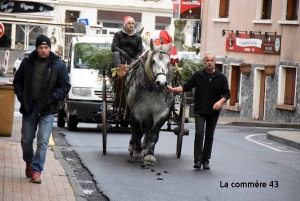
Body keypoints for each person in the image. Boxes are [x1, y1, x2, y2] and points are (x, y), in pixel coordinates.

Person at [13, 35, 71, 183]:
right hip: (30, 107)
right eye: (40, 47)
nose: (44, 50)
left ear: (50, 48)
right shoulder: (27, 62)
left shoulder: (58, 65)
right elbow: (17, 81)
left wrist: (52, 97)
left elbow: (65, 86)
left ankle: (36, 171)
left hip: (48, 109)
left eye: (46, 47)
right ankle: (29, 162)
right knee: (26, 140)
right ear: (36, 48)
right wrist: (22, 97)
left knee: (43, 141)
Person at [166, 51, 230, 170]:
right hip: (200, 110)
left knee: (209, 136)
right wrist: (172, 89)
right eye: (207, 60)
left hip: (213, 111)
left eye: (212, 60)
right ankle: (197, 160)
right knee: (199, 133)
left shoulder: (221, 77)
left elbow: (227, 93)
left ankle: (206, 161)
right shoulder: (198, 75)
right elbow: (186, 86)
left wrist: (219, 102)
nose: (209, 62)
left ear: (215, 62)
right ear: (204, 62)